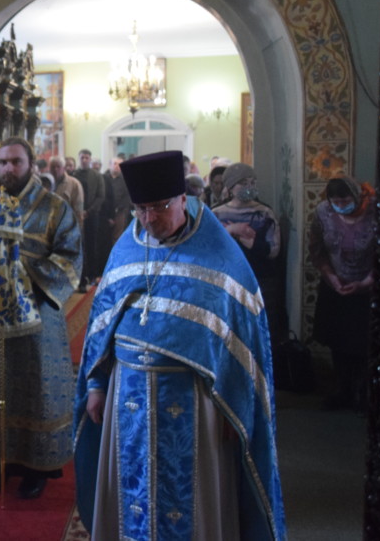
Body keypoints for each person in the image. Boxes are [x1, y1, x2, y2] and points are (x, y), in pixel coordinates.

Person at [73, 150, 286, 540]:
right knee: (131, 497)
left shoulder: (221, 256)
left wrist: (235, 407)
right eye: (140, 209)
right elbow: (100, 327)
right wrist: (96, 385)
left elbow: (241, 341)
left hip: (197, 405)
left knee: (186, 503)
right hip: (127, 399)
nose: (149, 219)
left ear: (183, 200)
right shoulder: (126, 247)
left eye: (158, 207)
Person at [0, 137, 81, 500]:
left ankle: (38, 469)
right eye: (3, 163)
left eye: (16, 162)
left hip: (37, 319)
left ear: (31, 164)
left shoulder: (54, 208)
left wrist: (31, 284)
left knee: (35, 392)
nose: (8, 169)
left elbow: (70, 255)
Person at [310, 176, 376, 411]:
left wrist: (366, 282)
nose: (340, 205)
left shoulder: (375, 212)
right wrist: (332, 278)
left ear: (357, 196)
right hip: (335, 286)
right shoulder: (323, 213)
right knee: (338, 340)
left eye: (345, 200)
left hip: (368, 287)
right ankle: (342, 389)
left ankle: (364, 392)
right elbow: (317, 250)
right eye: (335, 201)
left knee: (363, 342)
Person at [213, 163, 285, 342]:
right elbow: (209, 249)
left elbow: (273, 249)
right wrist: (231, 232)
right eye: (243, 183)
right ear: (230, 187)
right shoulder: (216, 214)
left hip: (260, 281)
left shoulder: (265, 213)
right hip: (227, 282)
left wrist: (251, 242)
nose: (249, 187)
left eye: (253, 182)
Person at [72, 148, 106, 292]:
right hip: (75, 216)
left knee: (92, 245)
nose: (84, 160)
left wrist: (88, 211)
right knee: (78, 246)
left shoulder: (97, 176)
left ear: (90, 159)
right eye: (82, 157)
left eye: (87, 157)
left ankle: (91, 275)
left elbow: (101, 196)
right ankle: (79, 277)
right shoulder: (74, 175)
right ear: (79, 158)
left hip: (92, 216)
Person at [50, 156, 84, 221]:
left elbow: (78, 210)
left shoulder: (74, 184)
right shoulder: (45, 183)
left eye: (58, 167)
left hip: (66, 222)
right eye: (53, 167)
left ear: (64, 168)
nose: (55, 169)